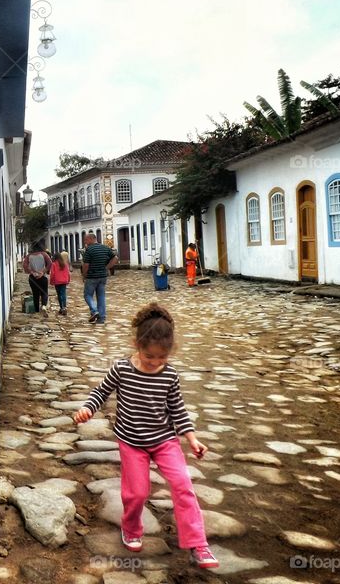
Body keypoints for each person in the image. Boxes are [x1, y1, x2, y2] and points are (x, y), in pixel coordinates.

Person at [72, 303, 218, 570]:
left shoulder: (170, 376)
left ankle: (198, 543)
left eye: (162, 359)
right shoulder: (122, 369)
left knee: (183, 485)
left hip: (164, 441)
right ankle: (131, 526)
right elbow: (100, 392)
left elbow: (178, 410)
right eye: (149, 357)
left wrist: (192, 438)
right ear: (136, 345)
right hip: (131, 442)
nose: (155, 363)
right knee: (137, 493)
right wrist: (86, 409)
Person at [81, 233, 118, 324]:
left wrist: (84, 275)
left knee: (87, 295)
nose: (85, 242)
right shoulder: (105, 248)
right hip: (102, 276)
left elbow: (86, 265)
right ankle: (101, 318)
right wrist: (107, 268)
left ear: (91, 239)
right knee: (101, 296)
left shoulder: (89, 250)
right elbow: (115, 258)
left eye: (86, 240)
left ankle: (94, 311)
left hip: (91, 277)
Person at [22, 242, 52, 315]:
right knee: (44, 292)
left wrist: (31, 272)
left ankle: (36, 310)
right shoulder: (44, 254)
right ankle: (44, 306)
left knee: (35, 294)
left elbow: (24, 265)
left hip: (33, 278)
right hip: (42, 277)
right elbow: (50, 263)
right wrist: (43, 271)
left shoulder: (29, 256)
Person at [49, 251, 71, 315]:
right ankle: (64, 307)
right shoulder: (64, 264)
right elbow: (68, 273)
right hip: (64, 281)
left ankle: (61, 308)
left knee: (59, 294)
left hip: (57, 281)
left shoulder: (54, 264)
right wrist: (68, 280)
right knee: (63, 294)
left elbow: (52, 274)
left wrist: (51, 281)